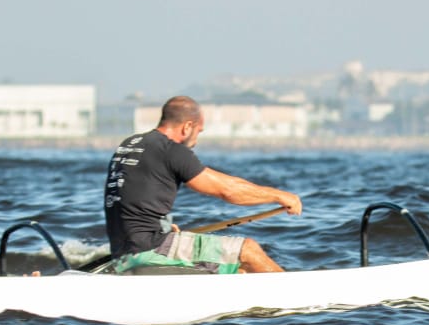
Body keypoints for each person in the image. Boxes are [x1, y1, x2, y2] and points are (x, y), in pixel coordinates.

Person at [104, 95, 301, 274]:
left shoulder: (130, 144)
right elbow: (228, 190)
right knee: (248, 251)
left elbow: (133, 198)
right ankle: (296, 299)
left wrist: (162, 227)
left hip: (122, 251)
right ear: (187, 126)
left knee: (237, 270)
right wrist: (279, 196)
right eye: (198, 131)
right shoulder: (171, 150)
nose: (196, 140)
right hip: (150, 249)